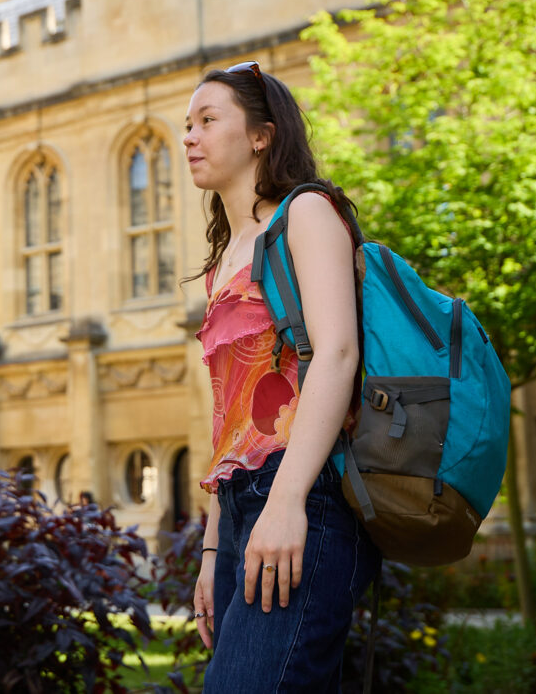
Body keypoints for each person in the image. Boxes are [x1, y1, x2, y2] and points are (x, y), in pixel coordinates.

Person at [183, 61, 378, 691]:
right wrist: (214, 551)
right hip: (242, 505)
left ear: (261, 135)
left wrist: (289, 500)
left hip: (304, 493)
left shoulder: (307, 214)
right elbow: (229, 421)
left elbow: (337, 356)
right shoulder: (224, 263)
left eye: (208, 120)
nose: (190, 136)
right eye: (187, 124)